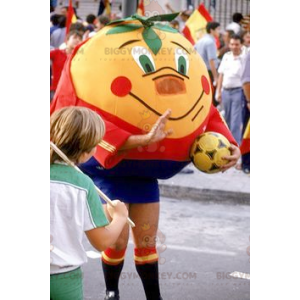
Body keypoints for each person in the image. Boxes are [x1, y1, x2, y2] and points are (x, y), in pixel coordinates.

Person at [50, 106, 128, 300]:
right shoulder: (83, 185)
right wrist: (120, 216)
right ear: (86, 152)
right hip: (64, 279)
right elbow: (101, 242)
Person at [216, 34, 246, 145]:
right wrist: (218, 92)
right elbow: (221, 75)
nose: (234, 46)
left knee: (235, 121)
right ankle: (225, 143)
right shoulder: (226, 56)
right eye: (232, 44)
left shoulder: (244, 58)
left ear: (241, 45)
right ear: (229, 45)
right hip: (225, 91)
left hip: (238, 91)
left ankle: (235, 145)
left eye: (237, 44)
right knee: (226, 119)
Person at [50, 30, 83, 100]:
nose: (77, 40)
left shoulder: (81, 57)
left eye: (80, 39)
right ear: (67, 40)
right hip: (55, 90)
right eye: (74, 38)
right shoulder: (57, 52)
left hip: (72, 93)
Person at [194, 21, 221, 105]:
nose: (219, 31)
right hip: (209, 72)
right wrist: (215, 77)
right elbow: (211, 60)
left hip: (200, 71)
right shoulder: (210, 42)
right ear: (212, 30)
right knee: (212, 97)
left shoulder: (200, 40)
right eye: (218, 29)